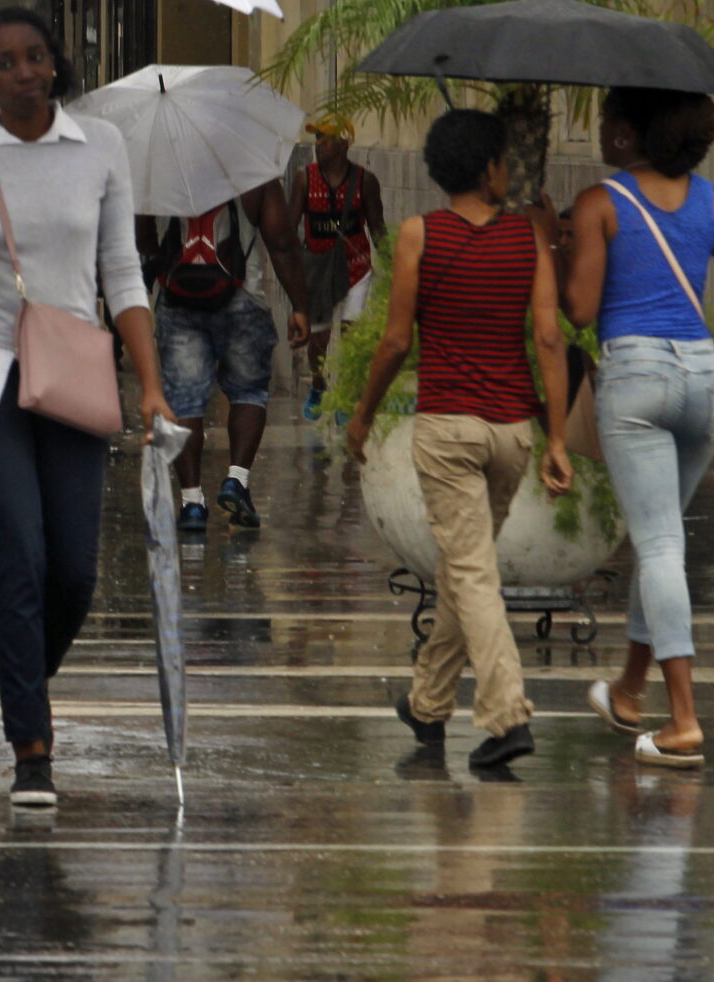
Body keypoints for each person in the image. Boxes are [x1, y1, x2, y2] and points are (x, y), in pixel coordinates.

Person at [0, 7, 177, 808]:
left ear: (54, 62)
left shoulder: (99, 145)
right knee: (19, 551)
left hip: (71, 370)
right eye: (6, 62)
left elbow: (123, 272)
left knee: (74, 568)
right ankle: (30, 745)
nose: (26, 71)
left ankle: (22, 676)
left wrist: (151, 383)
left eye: (36, 56)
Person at [348, 109, 570, 770]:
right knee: (463, 567)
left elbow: (394, 342)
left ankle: (506, 717)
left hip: (446, 430)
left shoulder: (420, 235)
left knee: (470, 569)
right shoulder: (529, 239)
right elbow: (550, 339)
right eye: (503, 157)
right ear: (489, 169)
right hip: (511, 433)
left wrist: (363, 416)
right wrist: (557, 438)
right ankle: (427, 703)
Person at [564, 89, 714, 769]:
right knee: (661, 538)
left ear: (629, 134)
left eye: (607, 121)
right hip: (703, 380)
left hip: (635, 377)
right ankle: (629, 691)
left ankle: (683, 720)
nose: (600, 131)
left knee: (657, 545)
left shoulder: (602, 203)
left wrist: (553, 240)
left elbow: (579, 310)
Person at [138, 175, 310, 533]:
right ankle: (237, 479)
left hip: (178, 300)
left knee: (184, 402)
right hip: (242, 298)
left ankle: (192, 504)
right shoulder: (253, 173)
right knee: (248, 392)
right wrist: (301, 306)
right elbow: (281, 242)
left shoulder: (162, 172)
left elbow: (142, 239)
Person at [295, 114, 384, 420]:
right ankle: (319, 385)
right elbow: (290, 226)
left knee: (351, 333)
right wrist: (296, 271)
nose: (319, 144)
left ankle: (346, 394)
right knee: (319, 338)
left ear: (345, 143)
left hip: (356, 268)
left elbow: (378, 229)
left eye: (326, 138)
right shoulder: (304, 178)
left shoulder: (365, 181)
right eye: (317, 137)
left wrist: (395, 270)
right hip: (318, 269)